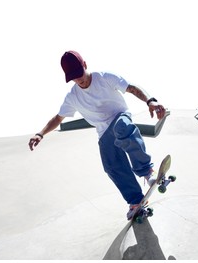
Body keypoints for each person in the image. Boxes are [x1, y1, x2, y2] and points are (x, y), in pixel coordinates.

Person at [28, 50, 167, 220]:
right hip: (103, 132)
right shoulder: (72, 97)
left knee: (121, 128)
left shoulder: (105, 77)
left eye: (80, 73)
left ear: (85, 65)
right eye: (74, 77)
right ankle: (135, 201)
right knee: (111, 166)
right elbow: (58, 118)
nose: (79, 79)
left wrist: (150, 100)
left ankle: (147, 172)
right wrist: (40, 134)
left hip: (120, 117)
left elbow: (131, 88)